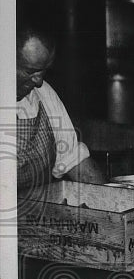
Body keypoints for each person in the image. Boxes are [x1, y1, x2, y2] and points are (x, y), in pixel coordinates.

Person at [16, 25, 105, 189]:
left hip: (39, 208)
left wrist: (111, 200)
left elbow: (74, 160)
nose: (39, 81)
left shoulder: (43, 94)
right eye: (30, 71)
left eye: (44, 71)